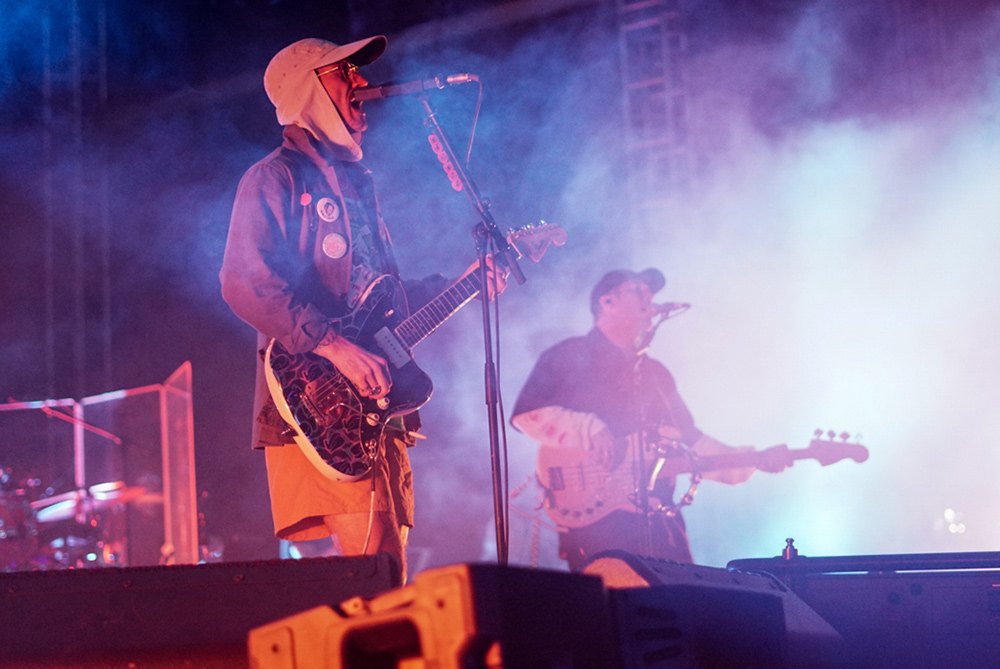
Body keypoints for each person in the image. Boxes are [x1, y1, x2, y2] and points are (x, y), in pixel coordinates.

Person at [220, 35, 504, 583]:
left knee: (386, 571)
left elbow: (382, 299)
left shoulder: (358, 186)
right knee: (376, 579)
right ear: (308, 90)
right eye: (342, 72)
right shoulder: (275, 176)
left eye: (355, 71)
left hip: (374, 398)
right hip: (319, 394)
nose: (359, 82)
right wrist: (335, 347)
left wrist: (464, 283)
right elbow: (244, 282)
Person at [511, 268, 786, 570]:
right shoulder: (568, 355)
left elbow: (690, 442)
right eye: (638, 290)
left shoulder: (656, 374)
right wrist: (587, 428)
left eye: (650, 294)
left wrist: (749, 461)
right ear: (607, 302)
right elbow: (528, 414)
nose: (649, 298)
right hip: (599, 529)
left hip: (662, 529)